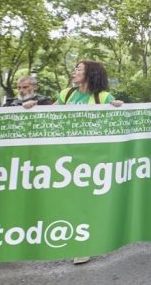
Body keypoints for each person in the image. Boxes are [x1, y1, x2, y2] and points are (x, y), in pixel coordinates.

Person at [30, 60, 121, 264]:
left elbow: (116, 123)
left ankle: (85, 242)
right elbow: (47, 115)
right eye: (75, 69)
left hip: (93, 156)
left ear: (91, 74)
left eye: (79, 69)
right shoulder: (66, 94)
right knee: (71, 197)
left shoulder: (104, 97)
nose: (74, 72)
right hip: (67, 157)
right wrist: (31, 108)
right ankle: (79, 238)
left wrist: (117, 107)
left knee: (88, 198)